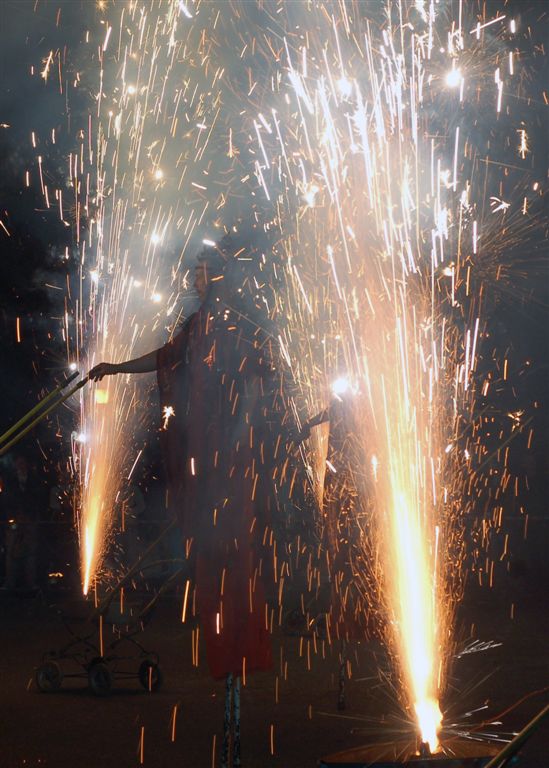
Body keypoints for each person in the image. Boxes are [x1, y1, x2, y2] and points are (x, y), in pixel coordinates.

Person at [89, 237, 273, 682]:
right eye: (194, 274)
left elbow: (257, 384)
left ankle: (240, 639)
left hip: (229, 456)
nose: (194, 281)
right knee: (208, 548)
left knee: (232, 548)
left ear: (217, 278)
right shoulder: (197, 325)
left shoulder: (237, 326)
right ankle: (224, 641)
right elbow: (165, 358)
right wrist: (116, 367)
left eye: (200, 273)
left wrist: (240, 433)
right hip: (204, 451)